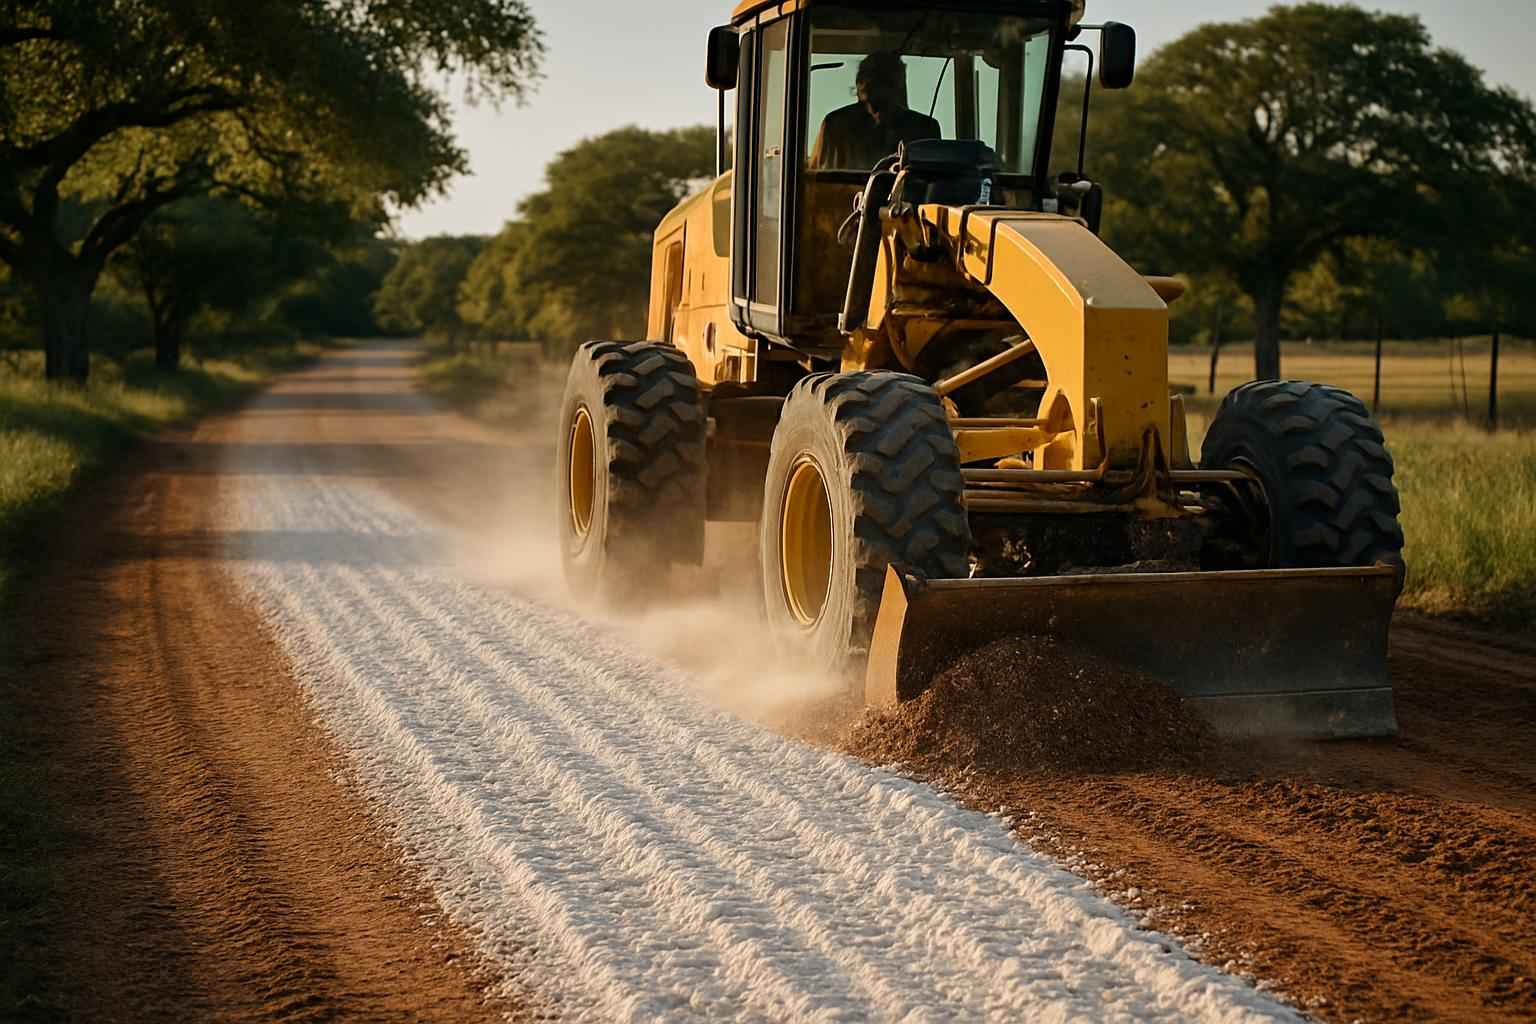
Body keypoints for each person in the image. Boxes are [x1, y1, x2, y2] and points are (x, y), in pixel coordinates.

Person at [810, 51, 941, 170]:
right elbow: (819, 184)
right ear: (859, 88)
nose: (877, 112)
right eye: (872, 96)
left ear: (899, 88)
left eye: (887, 87)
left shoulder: (924, 130)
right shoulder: (835, 126)